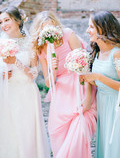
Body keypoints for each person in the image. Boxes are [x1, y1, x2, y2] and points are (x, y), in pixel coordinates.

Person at [30, 11, 97, 158]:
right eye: (44, 29)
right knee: (58, 132)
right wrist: (53, 69)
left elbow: (84, 65)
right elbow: (48, 83)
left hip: (79, 84)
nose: (49, 32)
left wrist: (87, 99)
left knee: (79, 127)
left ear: (56, 26)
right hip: (60, 91)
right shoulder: (41, 49)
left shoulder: (68, 34)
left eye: (51, 27)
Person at [0, 6, 50, 158]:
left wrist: (15, 61)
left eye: (7, 20)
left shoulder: (30, 43)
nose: (3, 24)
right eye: (1, 22)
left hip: (26, 92)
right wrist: (2, 74)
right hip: (7, 93)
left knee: (25, 133)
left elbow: (34, 74)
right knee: (8, 132)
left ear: (17, 20)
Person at [80, 11, 120, 158]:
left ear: (102, 28)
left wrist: (98, 77)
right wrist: (89, 80)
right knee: (105, 147)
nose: (87, 30)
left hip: (118, 106)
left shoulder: (117, 54)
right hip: (103, 104)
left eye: (91, 27)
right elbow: (101, 83)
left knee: (117, 147)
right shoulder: (97, 53)